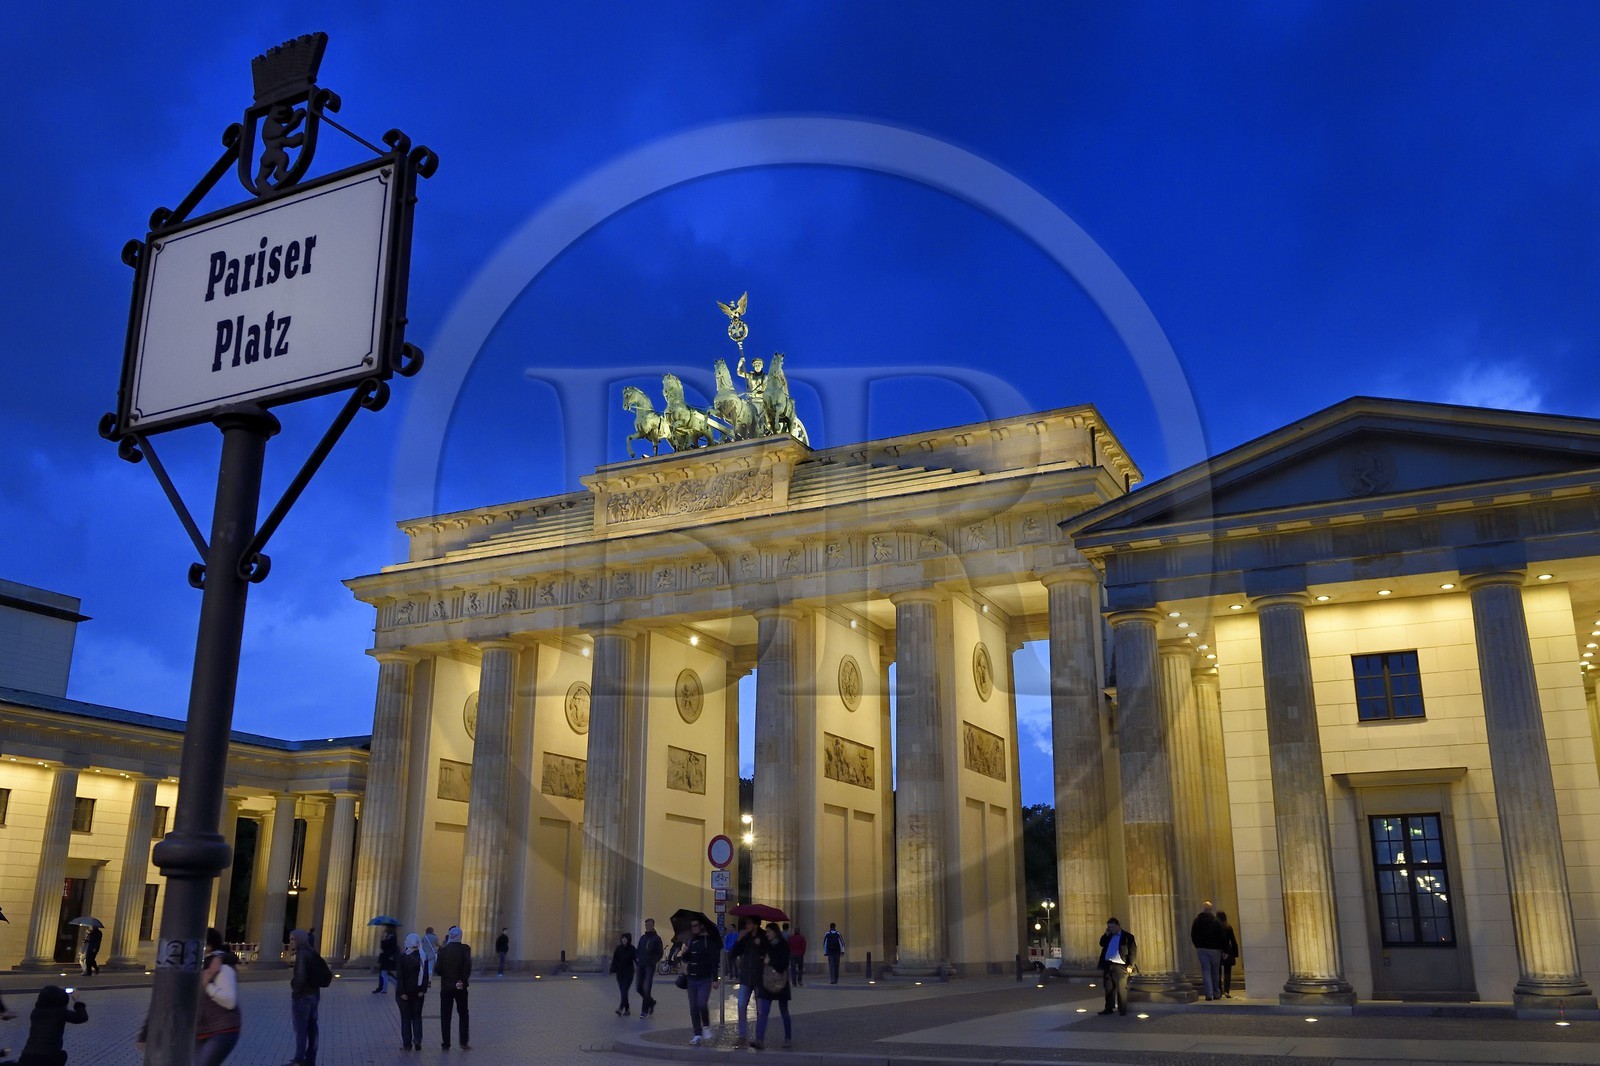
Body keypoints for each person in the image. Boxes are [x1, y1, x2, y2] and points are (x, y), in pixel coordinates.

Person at [195, 928, 242, 1065]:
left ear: (208, 945)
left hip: (221, 1029)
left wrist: (207, 985)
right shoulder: (206, 963)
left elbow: (230, 1001)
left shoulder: (221, 967)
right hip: (201, 1029)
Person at [751, 922, 792, 1050]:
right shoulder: (766, 945)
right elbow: (761, 958)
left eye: (768, 931)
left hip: (781, 981)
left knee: (784, 1011)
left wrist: (771, 961)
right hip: (767, 981)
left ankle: (788, 1038)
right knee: (764, 1011)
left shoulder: (784, 945)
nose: (767, 934)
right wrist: (759, 948)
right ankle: (759, 1040)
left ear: (775, 932)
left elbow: (784, 964)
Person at [681, 918, 719, 1046]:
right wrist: (684, 952)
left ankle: (706, 1026)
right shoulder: (691, 940)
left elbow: (714, 961)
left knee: (702, 1003)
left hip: (704, 978)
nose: (693, 928)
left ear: (701, 926)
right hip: (692, 978)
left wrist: (715, 979)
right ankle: (697, 1034)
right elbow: (686, 959)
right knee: (693, 1008)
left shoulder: (709, 941)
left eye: (695, 926)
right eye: (692, 926)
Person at [288, 928, 323, 1066]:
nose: (290, 942)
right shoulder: (312, 952)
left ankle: (299, 1059)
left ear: (299, 940)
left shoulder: (302, 954)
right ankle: (310, 1059)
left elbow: (300, 977)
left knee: (301, 1029)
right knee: (312, 1028)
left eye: (292, 939)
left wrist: (295, 992)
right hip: (314, 994)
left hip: (303, 997)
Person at [435, 925, 472, 1050]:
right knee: (463, 1013)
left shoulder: (443, 950)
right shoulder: (465, 949)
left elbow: (438, 970)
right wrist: (462, 980)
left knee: (445, 1015)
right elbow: (467, 967)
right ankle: (463, 1042)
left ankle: (446, 1043)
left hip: (446, 986)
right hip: (460, 986)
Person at [730, 918, 765, 1046]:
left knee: (760, 1010)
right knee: (741, 1005)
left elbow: (768, 953)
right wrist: (738, 940)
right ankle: (742, 1035)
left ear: (755, 924)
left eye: (749, 923)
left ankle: (759, 1037)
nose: (747, 925)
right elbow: (732, 954)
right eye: (746, 923)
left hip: (759, 978)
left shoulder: (764, 937)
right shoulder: (745, 938)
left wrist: (760, 945)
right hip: (745, 977)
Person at [1096, 917, 1136, 1016]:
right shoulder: (1108, 936)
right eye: (1109, 927)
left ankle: (1122, 1010)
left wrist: (1131, 965)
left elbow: (1132, 952)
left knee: (1121, 988)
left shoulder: (1127, 936)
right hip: (1108, 964)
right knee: (1108, 988)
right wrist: (1106, 934)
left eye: (1112, 927)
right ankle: (1108, 1008)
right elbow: (1101, 943)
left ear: (1118, 926)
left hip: (1121, 965)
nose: (1111, 929)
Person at [395, 933, 428, 1051]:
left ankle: (407, 1044)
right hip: (418, 992)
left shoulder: (403, 957)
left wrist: (402, 991)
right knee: (417, 1017)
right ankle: (418, 1039)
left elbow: (400, 976)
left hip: (405, 992)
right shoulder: (423, 957)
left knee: (406, 1018)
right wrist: (423, 989)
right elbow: (425, 975)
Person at [1190, 901, 1225, 1001]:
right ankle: (1216, 992)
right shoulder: (1216, 921)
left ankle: (1208, 994)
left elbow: (1193, 935)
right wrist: (1222, 948)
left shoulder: (1197, 921)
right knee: (1215, 972)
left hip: (1202, 949)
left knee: (1206, 972)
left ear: (1203, 909)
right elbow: (1222, 936)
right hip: (1215, 950)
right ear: (1210, 910)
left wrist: (1198, 945)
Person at [635, 918, 664, 1018]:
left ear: (653, 926)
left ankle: (644, 1011)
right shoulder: (643, 938)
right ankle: (651, 1002)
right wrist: (637, 959)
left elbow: (660, 953)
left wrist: (652, 961)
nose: (647, 926)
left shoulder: (656, 939)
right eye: (646, 925)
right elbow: (638, 950)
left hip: (649, 967)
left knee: (647, 989)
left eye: (649, 925)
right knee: (638, 988)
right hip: (641, 965)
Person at [609, 932, 637, 1015]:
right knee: (623, 991)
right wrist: (612, 969)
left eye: (626, 938)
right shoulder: (618, 948)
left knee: (624, 990)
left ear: (629, 939)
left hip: (628, 973)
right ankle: (627, 1009)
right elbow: (615, 959)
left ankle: (621, 1008)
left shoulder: (632, 949)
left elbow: (636, 959)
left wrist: (641, 967)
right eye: (623, 938)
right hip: (620, 973)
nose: (624, 940)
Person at [1217, 911, 1241, 999]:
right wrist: (1235, 953)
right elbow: (1233, 941)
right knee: (1227, 972)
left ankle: (1219, 990)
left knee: (1218, 972)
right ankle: (1227, 990)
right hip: (1228, 950)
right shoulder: (1228, 926)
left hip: (1218, 951)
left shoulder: (1216, 927)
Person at [374, 928, 399, 993]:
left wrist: (383, 940)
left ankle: (386, 987)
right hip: (385, 958)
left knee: (384, 974)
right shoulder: (389, 937)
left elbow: (386, 946)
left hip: (387, 959)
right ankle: (383, 988)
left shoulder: (392, 938)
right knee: (384, 973)